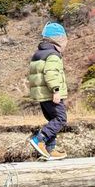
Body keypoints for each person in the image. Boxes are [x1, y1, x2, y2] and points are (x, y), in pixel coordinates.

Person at [28, 22, 69, 160]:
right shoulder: (53, 55)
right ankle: (40, 139)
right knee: (60, 118)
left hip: (42, 95)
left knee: (53, 119)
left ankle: (50, 150)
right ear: (58, 40)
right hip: (51, 94)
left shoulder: (39, 53)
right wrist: (56, 90)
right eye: (64, 40)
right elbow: (50, 73)